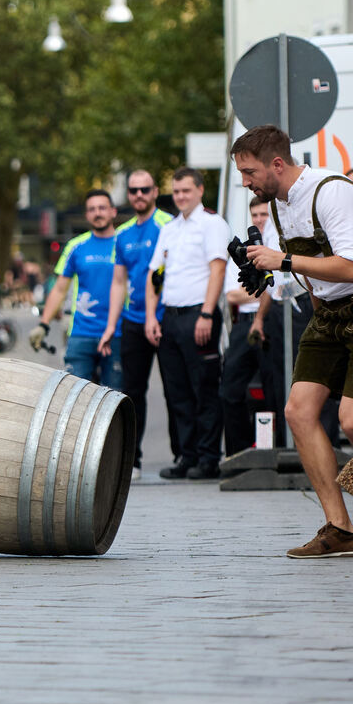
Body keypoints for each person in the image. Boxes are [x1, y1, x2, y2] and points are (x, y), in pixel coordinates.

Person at [233, 124, 353, 559]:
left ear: (278, 163)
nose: (245, 183)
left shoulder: (331, 191)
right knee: (298, 411)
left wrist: (284, 259)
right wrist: (273, 274)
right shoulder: (278, 204)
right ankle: (340, 529)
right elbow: (309, 273)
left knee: (352, 420)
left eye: (249, 172)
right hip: (329, 309)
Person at [145, 167, 230, 480]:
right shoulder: (170, 228)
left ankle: (208, 459)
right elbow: (155, 276)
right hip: (170, 317)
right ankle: (186, 455)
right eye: (176, 192)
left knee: (205, 389)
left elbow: (218, 271)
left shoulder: (212, 224)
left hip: (199, 316)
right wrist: (152, 317)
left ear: (200, 190)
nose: (180, 197)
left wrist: (207, 313)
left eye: (186, 191)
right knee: (176, 392)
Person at [98, 170, 174, 480]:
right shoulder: (123, 234)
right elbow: (118, 283)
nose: (139, 195)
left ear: (155, 191)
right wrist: (110, 326)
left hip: (168, 317)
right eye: (133, 190)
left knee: (175, 390)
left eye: (144, 189)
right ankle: (132, 460)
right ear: (128, 195)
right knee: (131, 392)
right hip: (132, 321)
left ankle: (184, 456)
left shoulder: (169, 225)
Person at [31, 189, 122, 390]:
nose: (97, 213)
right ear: (86, 215)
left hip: (118, 333)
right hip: (81, 333)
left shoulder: (123, 243)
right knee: (76, 398)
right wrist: (43, 324)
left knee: (116, 400)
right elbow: (59, 289)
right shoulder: (75, 246)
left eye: (102, 208)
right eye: (92, 209)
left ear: (113, 212)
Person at [219, 197, 271, 456]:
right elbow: (232, 295)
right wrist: (265, 291)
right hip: (244, 325)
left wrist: (263, 292)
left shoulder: (278, 247)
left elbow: (282, 290)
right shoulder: (242, 252)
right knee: (230, 389)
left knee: (275, 390)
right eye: (256, 215)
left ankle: (275, 448)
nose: (260, 220)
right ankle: (238, 453)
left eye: (264, 214)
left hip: (273, 321)